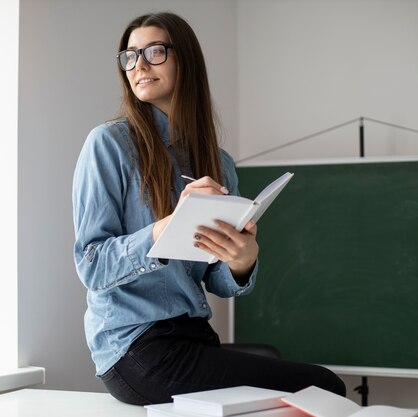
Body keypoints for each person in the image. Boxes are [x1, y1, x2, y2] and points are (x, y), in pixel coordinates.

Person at [72, 11, 345, 405]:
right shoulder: (108, 145)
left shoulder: (218, 163)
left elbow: (217, 280)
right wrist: (163, 229)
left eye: (154, 51)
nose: (139, 65)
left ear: (186, 60)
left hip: (194, 337)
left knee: (314, 391)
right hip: (134, 347)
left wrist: (242, 260)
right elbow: (91, 265)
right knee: (325, 386)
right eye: (130, 56)